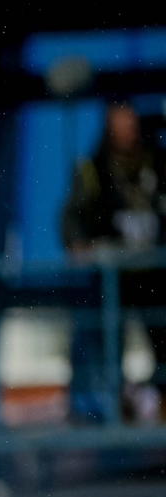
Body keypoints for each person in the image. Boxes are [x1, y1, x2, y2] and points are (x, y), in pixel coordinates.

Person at [61, 102, 166, 422]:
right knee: (105, 343)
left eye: (130, 123)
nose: (126, 131)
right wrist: (79, 242)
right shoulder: (95, 167)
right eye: (119, 124)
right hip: (113, 277)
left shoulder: (156, 164)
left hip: (155, 274)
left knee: (161, 339)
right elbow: (73, 217)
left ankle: (157, 400)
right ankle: (107, 409)